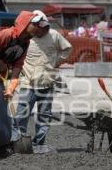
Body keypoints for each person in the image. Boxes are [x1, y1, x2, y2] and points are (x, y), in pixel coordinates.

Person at [0, 11, 41, 160]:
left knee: (3, 113)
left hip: (1, 79)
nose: (37, 27)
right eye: (35, 24)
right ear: (25, 24)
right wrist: (0, 64)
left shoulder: (26, 43)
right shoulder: (6, 35)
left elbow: (18, 64)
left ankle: (1, 146)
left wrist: (12, 85)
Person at [11, 10, 72, 154]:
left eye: (45, 28)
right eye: (40, 28)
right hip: (28, 84)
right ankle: (17, 142)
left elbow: (67, 49)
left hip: (47, 83)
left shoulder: (54, 35)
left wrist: (56, 61)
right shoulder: (26, 38)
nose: (42, 30)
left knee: (44, 116)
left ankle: (39, 143)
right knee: (21, 115)